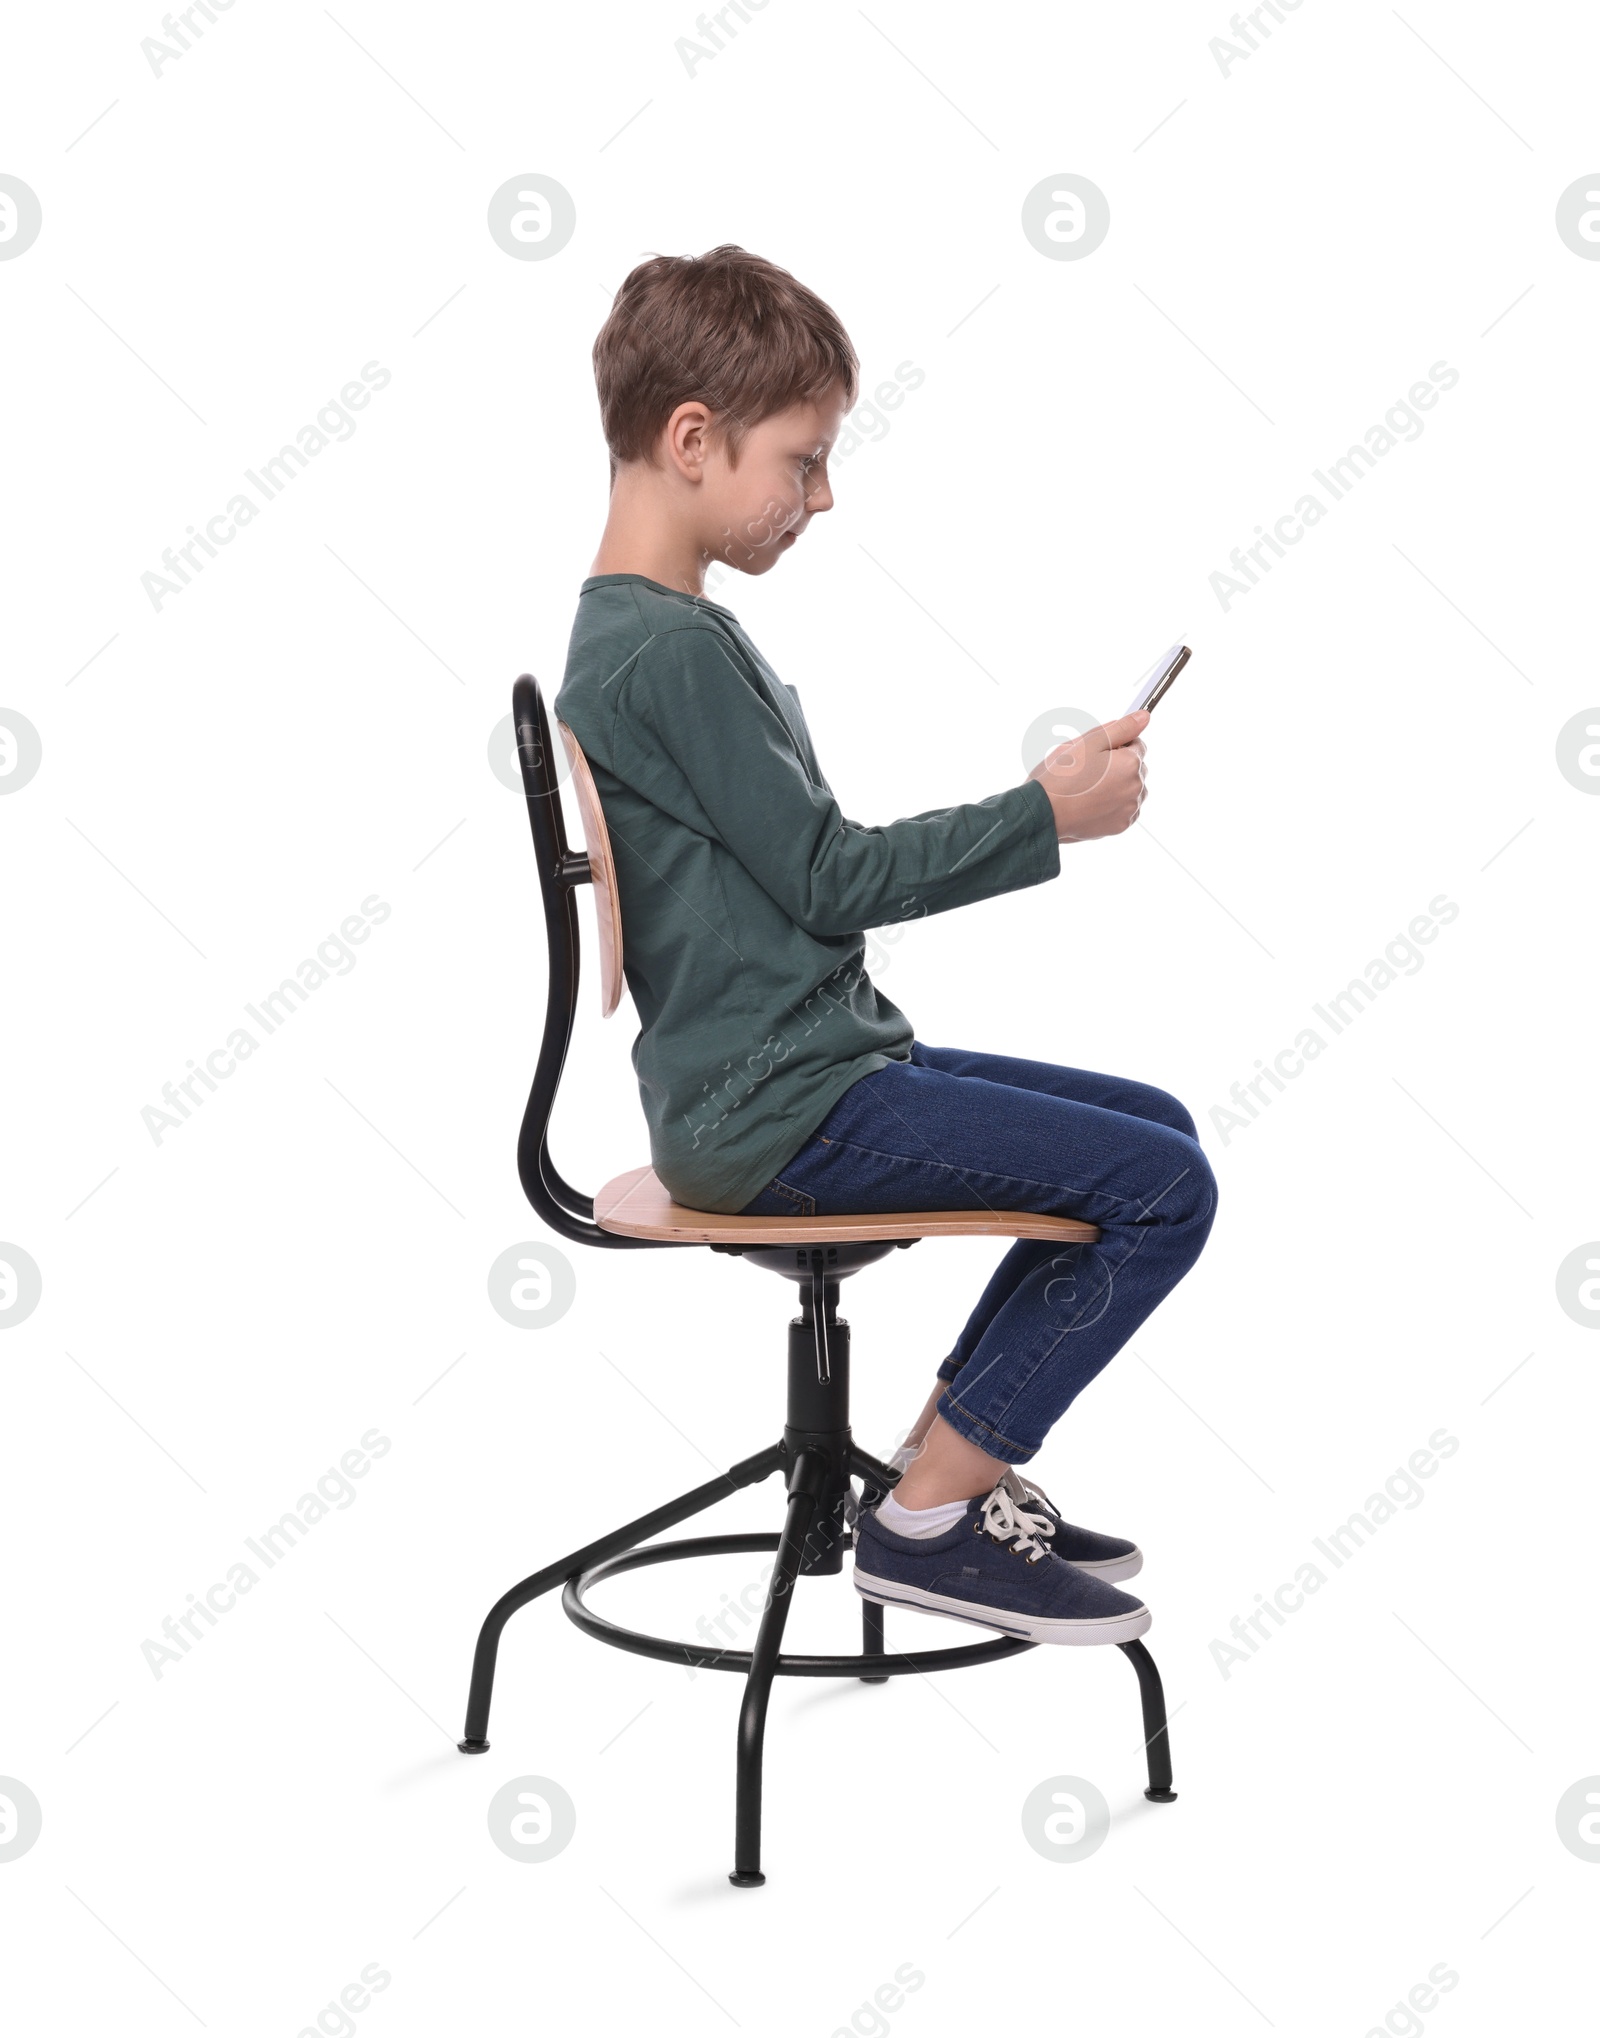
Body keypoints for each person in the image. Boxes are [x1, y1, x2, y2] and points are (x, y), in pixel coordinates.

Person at [555, 245, 1217, 1649]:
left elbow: (795, 879)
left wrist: (1036, 806)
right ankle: (928, 1517)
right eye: (802, 459)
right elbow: (828, 875)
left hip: (778, 1079)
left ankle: (945, 1470)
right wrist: (1045, 815)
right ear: (691, 440)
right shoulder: (663, 653)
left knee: (1152, 1128)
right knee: (1163, 1187)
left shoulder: (647, 636)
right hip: (782, 1113)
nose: (823, 494)